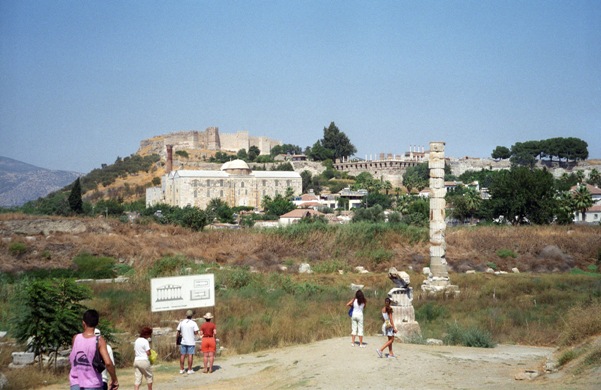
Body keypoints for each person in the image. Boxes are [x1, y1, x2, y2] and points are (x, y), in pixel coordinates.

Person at [69, 309, 119, 390]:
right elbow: (108, 363)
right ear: (97, 324)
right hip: (92, 384)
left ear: (83, 323)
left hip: (75, 384)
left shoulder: (75, 338)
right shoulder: (99, 340)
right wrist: (114, 379)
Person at [176, 309, 199, 374]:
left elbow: (178, 332)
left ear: (186, 315)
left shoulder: (182, 322)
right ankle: (189, 369)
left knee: (182, 355)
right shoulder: (193, 323)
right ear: (192, 316)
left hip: (183, 341)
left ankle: (181, 369)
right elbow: (196, 332)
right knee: (190, 355)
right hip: (191, 341)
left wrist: (176, 341)